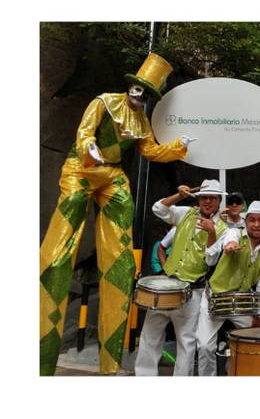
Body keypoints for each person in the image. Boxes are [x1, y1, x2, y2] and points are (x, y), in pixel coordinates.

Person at [39, 53, 196, 375]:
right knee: (57, 254)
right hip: (80, 170)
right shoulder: (104, 102)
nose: (140, 98)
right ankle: (42, 359)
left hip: (112, 177)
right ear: (130, 87)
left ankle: (110, 367)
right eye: (138, 90)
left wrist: (179, 146)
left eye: (146, 94)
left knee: (120, 262)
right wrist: (89, 149)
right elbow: (84, 133)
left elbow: (151, 150)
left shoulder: (140, 122)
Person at [134, 180, 228, 376]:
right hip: (167, 285)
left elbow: (211, 261)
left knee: (186, 342)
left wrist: (211, 233)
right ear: (199, 199)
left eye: (212, 198)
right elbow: (158, 208)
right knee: (149, 335)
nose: (208, 201)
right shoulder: (185, 213)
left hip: (192, 291)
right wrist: (179, 196)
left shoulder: (223, 229)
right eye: (204, 197)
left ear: (219, 201)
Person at [197, 201, 260, 376]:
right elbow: (226, 243)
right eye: (252, 220)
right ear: (245, 222)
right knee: (204, 346)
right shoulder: (233, 232)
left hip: (241, 304)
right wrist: (229, 245)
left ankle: (240, 373)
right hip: (215, 299)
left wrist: (257, 315)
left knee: (257, 338)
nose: (256, 224)